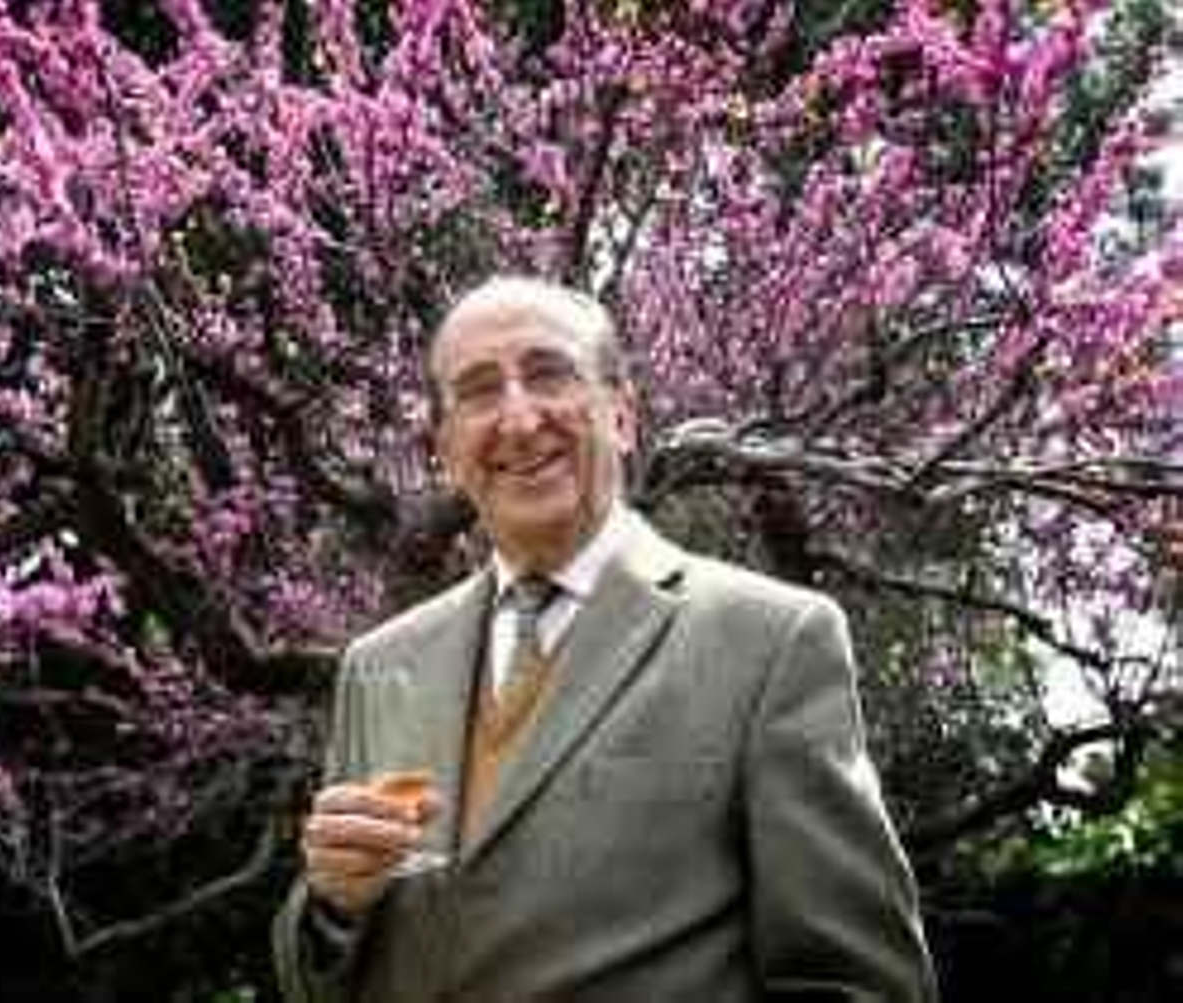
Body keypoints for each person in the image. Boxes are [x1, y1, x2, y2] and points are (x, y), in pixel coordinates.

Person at [272, 276, 938, 1002]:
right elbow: (323, 980)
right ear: (447, 448)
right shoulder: (378, 664)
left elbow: (860, 982)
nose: (519, 419)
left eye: (549, 374)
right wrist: (334, 906)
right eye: (479, 391)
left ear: (622, 415)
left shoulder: (771, 642)